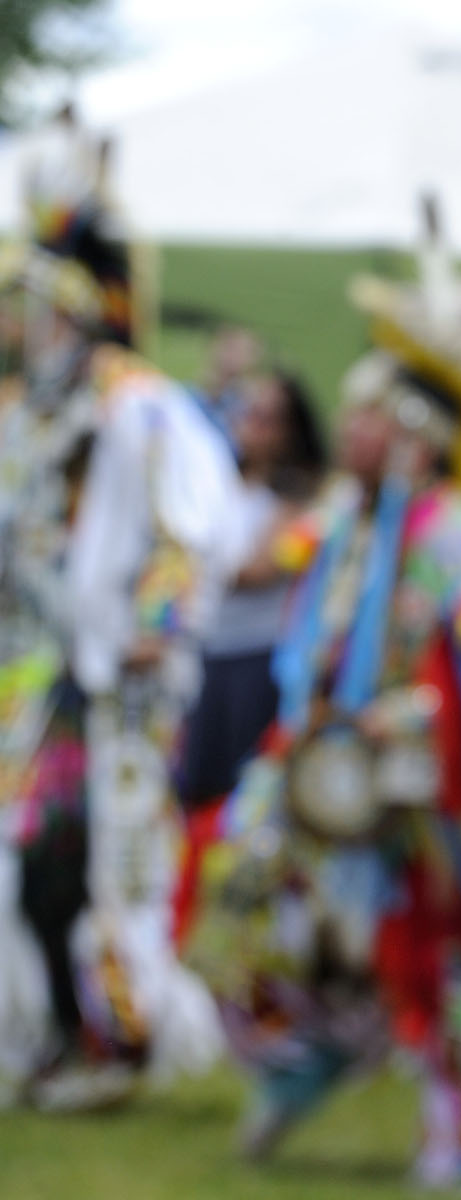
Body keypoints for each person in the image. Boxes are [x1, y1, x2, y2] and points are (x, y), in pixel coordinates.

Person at [184, 260, 461, 1191]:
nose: (348, 430)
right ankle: (310, 1054)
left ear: (416, 440)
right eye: (351, 415)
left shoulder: (453, 536)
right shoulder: (349, 522)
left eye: (369, 417)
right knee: (242, 901)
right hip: (328, 770)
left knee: (447, 960)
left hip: (425, 787)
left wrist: (397, 722)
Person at [0, 109, 237, 1110]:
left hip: (122, 678)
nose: (15, 322)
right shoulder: (20, 413)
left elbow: (201, 524)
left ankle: (128, 1039)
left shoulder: (138, 404)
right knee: (24, 850)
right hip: (33, 675)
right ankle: (40, 1035)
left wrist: (155, 622)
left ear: (75, 307)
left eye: (30, 304)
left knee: (120, 860)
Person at [176, 369, 327, 811]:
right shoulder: (218, 481)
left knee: (231, 790)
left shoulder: (296, 501)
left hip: (253, 662)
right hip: (206, 653)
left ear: (289, 431)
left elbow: (257, 570)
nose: (251, 424)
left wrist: (192, 563)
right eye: (248, 412)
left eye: (267, 418)